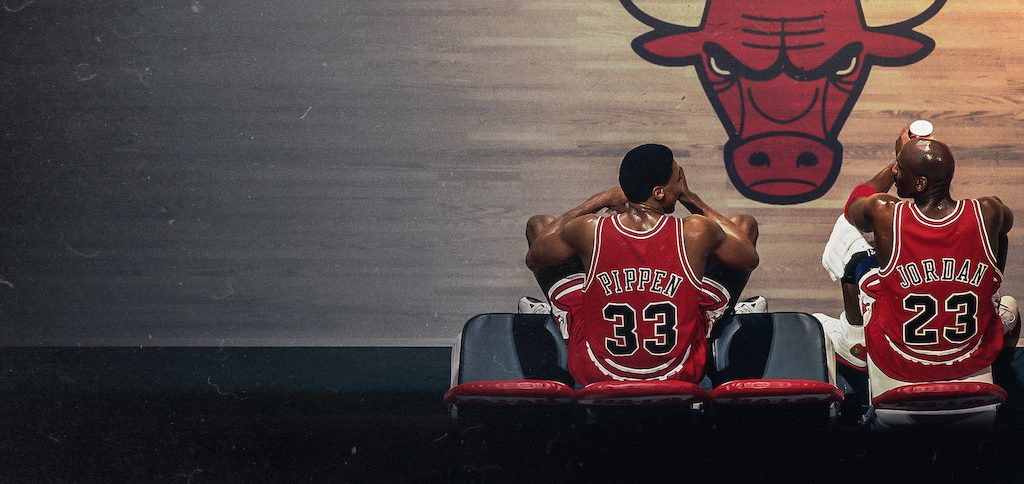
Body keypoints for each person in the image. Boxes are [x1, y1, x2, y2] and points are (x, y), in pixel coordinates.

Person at [523, 144, 760, 386]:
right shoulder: (696, 230)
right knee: (744, 225)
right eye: (679, 179)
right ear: (659, 192)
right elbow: (749, 258)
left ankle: (559, 310)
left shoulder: (589, 229)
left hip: (598, 373)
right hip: (678, 373)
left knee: (539, 224)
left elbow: (535, 257)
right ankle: (725, 312)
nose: (681, 186)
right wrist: (690, 198)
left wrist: (598, 201)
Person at [845, 129, 1015, 396]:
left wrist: (894, 164)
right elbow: (1005, 230)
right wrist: (992, 277)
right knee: (1011, 309)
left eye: (899, 170)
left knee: (856, 264)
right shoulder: (988, 211)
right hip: (970, 356)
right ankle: (1009, 389)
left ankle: (853, 338)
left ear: (920, 184)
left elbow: (852, 208)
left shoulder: (884, 212)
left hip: (900, 360)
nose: (896, 173)